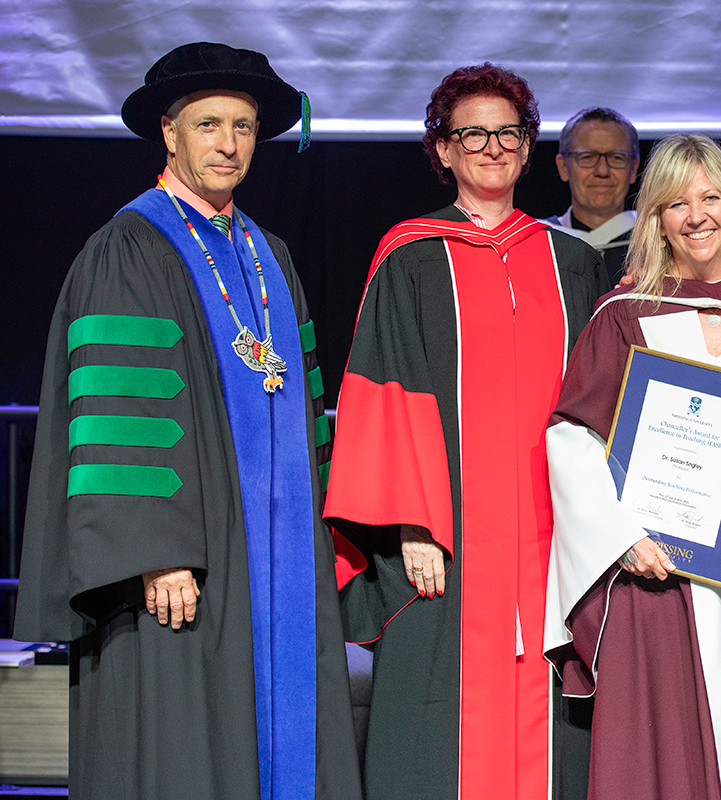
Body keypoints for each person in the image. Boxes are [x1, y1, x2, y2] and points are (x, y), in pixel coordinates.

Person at [14, 42, 362, 800]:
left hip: (277, 564)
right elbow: (123, 416)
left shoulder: (265, 254)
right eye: (209, 125)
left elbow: (300, 406)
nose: (229, 144)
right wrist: (157, 552)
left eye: (243, 126)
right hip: (185, 567)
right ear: (169, 134)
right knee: (187, 748)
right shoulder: (131, 249)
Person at [323, 63, 607, 800]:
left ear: (528, 147)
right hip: (445, 542)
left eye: (507, 132)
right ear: (442, 149)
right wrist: (411, 524)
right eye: (470, 133)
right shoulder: (411, 258)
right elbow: (383, 395)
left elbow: (603, 403)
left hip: (553, 543)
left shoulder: (572, 263)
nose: (490, 146)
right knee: (435, 730)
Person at [543, 133, 721, 800]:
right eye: (674, 203)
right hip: (670, 570)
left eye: (710, 198)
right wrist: (623, 535)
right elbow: (573, 436)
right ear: (655, 219)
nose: (696, 216)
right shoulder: (626, 314)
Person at [545, 107, 640, 284]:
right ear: (563, 167)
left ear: (633, 169)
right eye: (587, 157)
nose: (602, 170)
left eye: (617, 158)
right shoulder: (540, 241)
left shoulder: (658, 241)